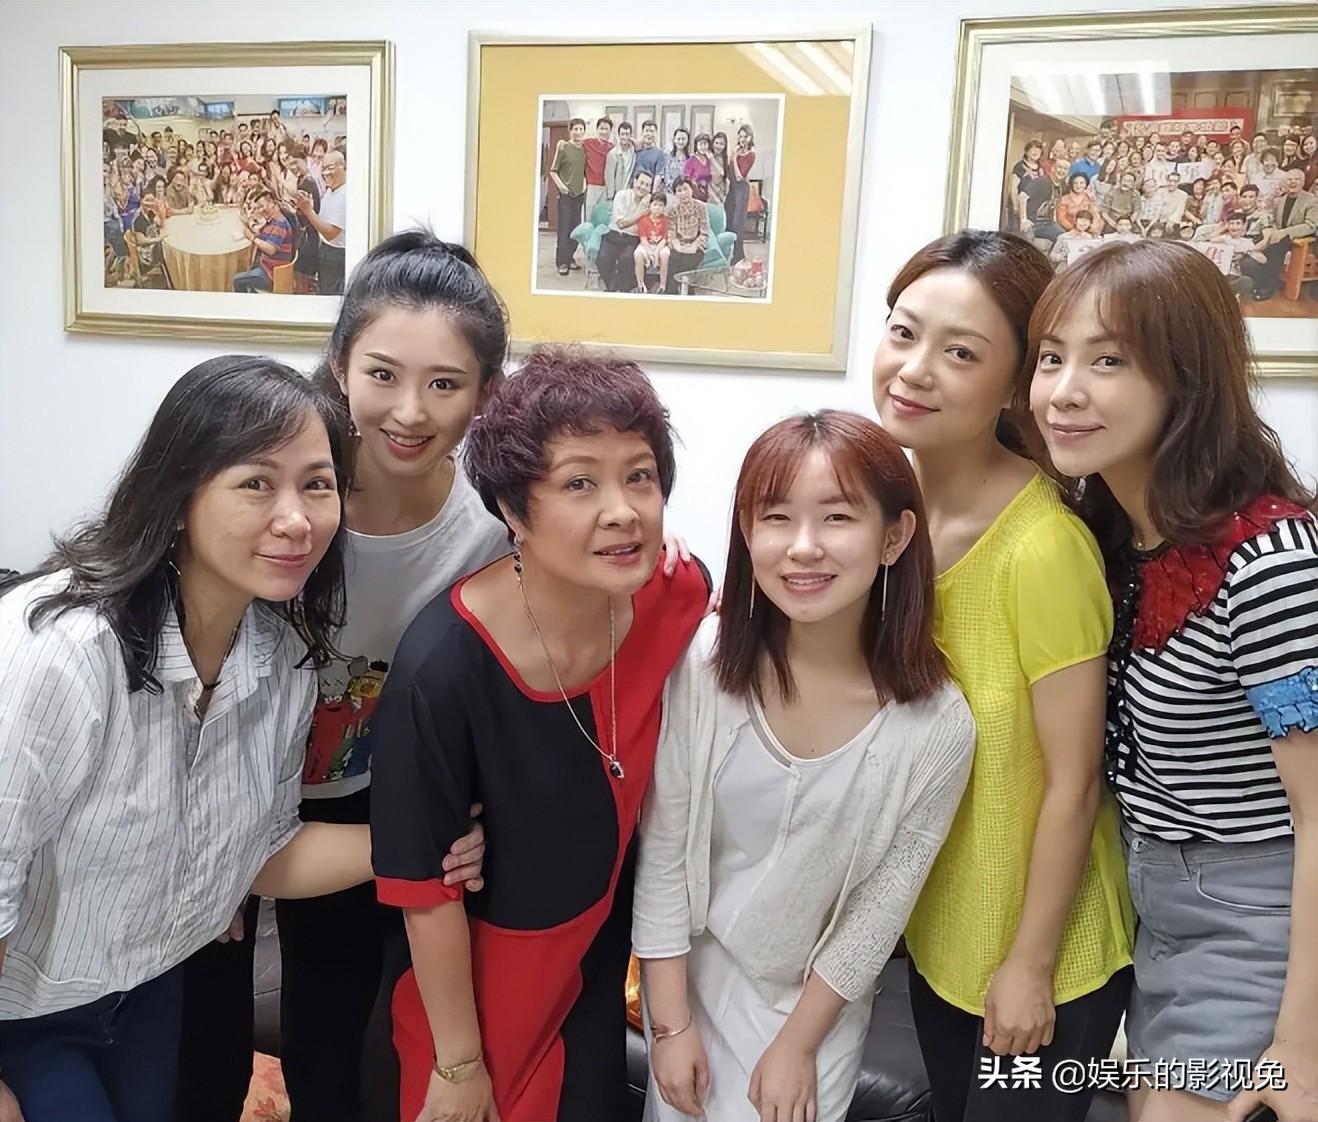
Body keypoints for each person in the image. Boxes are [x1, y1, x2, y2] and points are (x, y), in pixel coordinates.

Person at [0, 358, 378, 1122]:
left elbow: (263, 854)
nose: (296, 519)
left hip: (146, 990)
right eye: (256, 483)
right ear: (178, 497)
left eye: (317, 484)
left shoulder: (280, 659)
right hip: (22, 1012)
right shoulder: (62, 654)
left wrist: (422, 840)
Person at [364, 347, 711, 1122]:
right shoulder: (443, 668)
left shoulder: (675, 596)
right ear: (514, 512)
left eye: (640, 477)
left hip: (590, 971)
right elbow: (425, 891)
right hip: (473, 994)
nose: (622, 511)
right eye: (579, 483)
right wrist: (458, 1064)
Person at [1028, 238, 1318, 1122]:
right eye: (1051, 357)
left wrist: (1300, 1049)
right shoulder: (1113, 537)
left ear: (1186, 380)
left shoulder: (1270, 562)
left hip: (1257, 914)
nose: (1064, 390)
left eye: (1108, 361)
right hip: (1152, 899)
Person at [635, 411, 975, 1122]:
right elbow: (663, 849)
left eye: (837, 518)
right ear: (747, 533)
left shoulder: (938, 725)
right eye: (776, 518)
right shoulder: (705, 665)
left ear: (894, 537)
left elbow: (879, 910)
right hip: (692, 978)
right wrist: (670, 1027)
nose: (803, 547)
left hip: (817, 1006)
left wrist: (798, 1044)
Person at [873, 230, 1134, 1122]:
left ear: (1017, 383)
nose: (914, 370)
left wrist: (1030, 965)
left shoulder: (1042, 546)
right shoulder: (890, 518)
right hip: (941, 931)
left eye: (961, 353)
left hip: (1046, 956)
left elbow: (1075, 782)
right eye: (904, 333)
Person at [1239, 167, 1318, 300]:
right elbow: (1274, 219)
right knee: (1260, 238)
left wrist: (1284, 232)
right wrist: (1274, 230)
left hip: (1299, 238)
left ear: (1303, 182)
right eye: (1289, 179)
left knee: (1275, 248)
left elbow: (1310, 226)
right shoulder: (1280, 200)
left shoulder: (1311, 201)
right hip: (1279, 233)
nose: (1293, 182)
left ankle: (1268, 287)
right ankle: (1254, 279)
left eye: (1296, 179)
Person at [296, 148, 347, 294]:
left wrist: (308, 211)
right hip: (325, 250)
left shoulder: (345, 194)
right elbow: (323, 218)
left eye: (330, 168)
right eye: (323, 168)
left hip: (336, 254)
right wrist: (308, 205)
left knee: (331, 294)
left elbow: (331, 233)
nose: (325, 173)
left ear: (342, 166)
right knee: (324, 289)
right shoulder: (331, 190)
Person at [596, 168, 654, 293]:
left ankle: (623, 290)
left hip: (632, 239)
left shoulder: (650, 201)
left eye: (647, 185)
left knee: (627, 260)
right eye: (641, 183)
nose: (643, 187)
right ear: (635, 181)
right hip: (614, 235)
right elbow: (621, 224)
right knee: (603, 259)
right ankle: (612, 287)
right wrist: (642, 213)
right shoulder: (621, 195)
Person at [233, 187, 295, 293]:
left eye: (262, 206)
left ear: (272, 203)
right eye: (259, 208)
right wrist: (247, 222)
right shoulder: (272, 220)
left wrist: (252, 238)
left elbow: (271, 249)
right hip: (265, 264)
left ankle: (245, 300)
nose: (261, 210)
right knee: (247, 266)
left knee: (236, 279)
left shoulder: (280, 224)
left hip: (271, 273)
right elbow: (261, 234)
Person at [550, 118, 587, 276]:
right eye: (575, 129)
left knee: (575, 229)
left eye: (581, 129)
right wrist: (562, 187)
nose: (578, 132)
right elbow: (553, 171)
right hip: (566, 195)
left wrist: (584, 184)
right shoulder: (563, 146)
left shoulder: (584, 149)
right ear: (570, 131)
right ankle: (562, 262)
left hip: (579, 195)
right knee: (564, 229)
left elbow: (583, 171)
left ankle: (570, 258)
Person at [284, 140, 321, 293]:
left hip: (308, 234)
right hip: (304, 232)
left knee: (304, 274)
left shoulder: (309, 183)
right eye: (291, 164)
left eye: (296, 162)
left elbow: (312, 210)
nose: (293, 167)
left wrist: (293, 210)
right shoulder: (301, 180)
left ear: (304, 160)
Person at [665, 177, 710, 294]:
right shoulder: (672, 210)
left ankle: (688, 293)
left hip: (696, 244)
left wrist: (694, 245)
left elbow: (704, 232)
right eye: (679, 190)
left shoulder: (701, 207)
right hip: (679, 245)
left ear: (691, 190)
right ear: (675, 193)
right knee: (673, 259)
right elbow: (671, 233)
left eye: (685, 189)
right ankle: (671, 294)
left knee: (690, 260)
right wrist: (678, 247)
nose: (683, 193)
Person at [1208, 212, 1267, 297]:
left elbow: (1263, 260)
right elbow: (1211, 238)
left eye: (1238, 223)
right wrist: (1224, 228)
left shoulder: (1247, 242)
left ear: (1243, 226)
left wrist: (1246, 252)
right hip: (1219, 270)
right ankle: (1221, 289)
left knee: (1247, 281)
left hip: (1233, 274)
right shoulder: (1225, 239)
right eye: (1232, 223)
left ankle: (1223, 289)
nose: (1234, 227)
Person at [726, 124, 756, 265]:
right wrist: (732, 155)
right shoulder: (736, 151)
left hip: (741, 189)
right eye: (740, 136)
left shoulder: (751, 154)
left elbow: (739, 176)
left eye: (745, 136)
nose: (742, 139)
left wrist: (734, 157)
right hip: (731, 188)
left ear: (750, 138)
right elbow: (728, 170)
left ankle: (738, 256)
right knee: (729, 220)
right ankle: (734, 254)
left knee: (738, 222)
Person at [633, 192, 671, 293]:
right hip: (646, 245)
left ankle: (662, 285)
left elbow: (664, 239)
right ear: (650, 206)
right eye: (655, 204)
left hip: (660, 245)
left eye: (661, 205)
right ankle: (641, 284)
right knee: (637, 254)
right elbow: (643, 239)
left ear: (664, 207)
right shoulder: (643, 220)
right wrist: (650, 252)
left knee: (665, 254)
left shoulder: (666, 220)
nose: (657, 208)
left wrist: (656, 252)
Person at [582, 116, 614, 220]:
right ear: (597, 129)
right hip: (591, 186)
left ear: (610, 131)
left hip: (606, 188)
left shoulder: (612, 147)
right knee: (589, 216)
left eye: (606, 129)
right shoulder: (587, 143)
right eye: (601, 128)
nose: (604, 132)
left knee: (602, 217)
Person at [603, 120, 636, 202]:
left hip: (630, 192)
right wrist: (610, 196)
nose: (625, 137)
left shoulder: (634, 152)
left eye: (627, 134)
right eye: (622, 134)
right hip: (617, 193)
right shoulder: (613, 154)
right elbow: (609, 176)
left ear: (631, 135)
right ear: (619, 135)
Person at [633, 119, 667, 191]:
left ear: (656, 134)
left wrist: (654, 192)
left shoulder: (659, 153)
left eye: (652, 131)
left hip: (648, 189)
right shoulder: (635, 151)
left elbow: (658, 175)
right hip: (634, 188)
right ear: (642, 133)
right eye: (647, 131)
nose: (649, 134)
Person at [683, 133, 714, 202]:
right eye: (700, 144)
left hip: (707, 196)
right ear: (696, 146)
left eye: (705, 144)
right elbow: (686, 178)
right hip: (694, 196)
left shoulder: (709, 160)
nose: (703, 147)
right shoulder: (691, 160)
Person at [665, 128, 691, 195]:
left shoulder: (691, 158)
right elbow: (666, 175)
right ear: (674, 140)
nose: (681, 142)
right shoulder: (667, 156)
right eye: (678, 139)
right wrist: (674, 188)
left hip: (685, 193)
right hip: (670, 192)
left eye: (683, 139)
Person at [708, 132, 731, 206]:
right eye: (716, 143)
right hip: (709, 191)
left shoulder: (725, 159)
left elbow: (723, 174)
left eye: (721, 144)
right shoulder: (707, 156)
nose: (718, 146)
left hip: (720, 193)